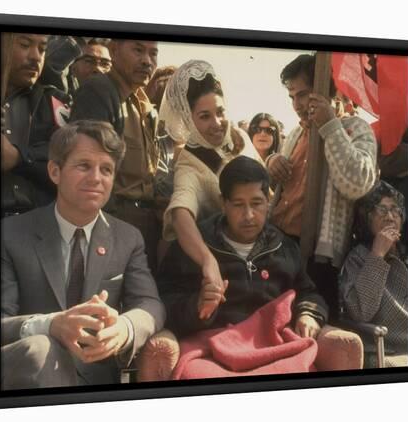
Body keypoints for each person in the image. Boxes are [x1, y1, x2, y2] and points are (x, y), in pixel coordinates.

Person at [1, 120, 166, 389]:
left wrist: (124, 328)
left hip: (95, 381)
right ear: (55, 171)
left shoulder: (128, 238)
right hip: (28, 380)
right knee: (42, 348)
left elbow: (150, 305)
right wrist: (51, 325)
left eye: (107, 169)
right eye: (84, 166)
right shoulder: (11, 234)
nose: (97, 178)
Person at [158, 156, 327, 339]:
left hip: (274, 342)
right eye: (238, 205)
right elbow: (164, 301)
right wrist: (197, 306)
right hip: (211, 345)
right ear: (223, 204)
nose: (248, 215)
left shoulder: (283, 247)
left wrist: (308, 314)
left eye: (256, 203)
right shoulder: (195, 246)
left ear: (267, 201)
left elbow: (308, 293)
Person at [266, 53, 378, 309]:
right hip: (279, 245)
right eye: (292, 97)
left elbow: (357, 183)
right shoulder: (295, 134)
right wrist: (271, 163)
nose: (296, 104)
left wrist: (329, 126)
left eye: (303, 94)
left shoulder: (357, 129)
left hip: (320, 258)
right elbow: (282, 191)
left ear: (328, 90)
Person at [159, 59, 262, 319]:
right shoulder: (189, 163)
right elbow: (181, 211)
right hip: (224, 264)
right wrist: (207, 260)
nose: (217, 123)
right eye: (204, 116)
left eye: (220, 111)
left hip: (261, 252)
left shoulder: (239, 137)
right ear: (188, 119)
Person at [69, 39, 161, 273]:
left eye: (153, 53)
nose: (146, 61)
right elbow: (90, 168)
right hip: (113, 221)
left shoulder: (141, 102)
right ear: (114, 50)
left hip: (144, 220)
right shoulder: (100, 90)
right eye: (138, 50)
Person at [1, 33, 72, 217]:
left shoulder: (54, 101)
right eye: (25, 45)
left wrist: (18, 157)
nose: (35, 57)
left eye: (42, 49)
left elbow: (69, 160)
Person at [340, 181, 408, 367]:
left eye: (395, 210)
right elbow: (360, 312)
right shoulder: (358, 257)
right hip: (388, 349)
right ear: (367, 218)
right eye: (381, 210)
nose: (390, 216)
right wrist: (377, 255)